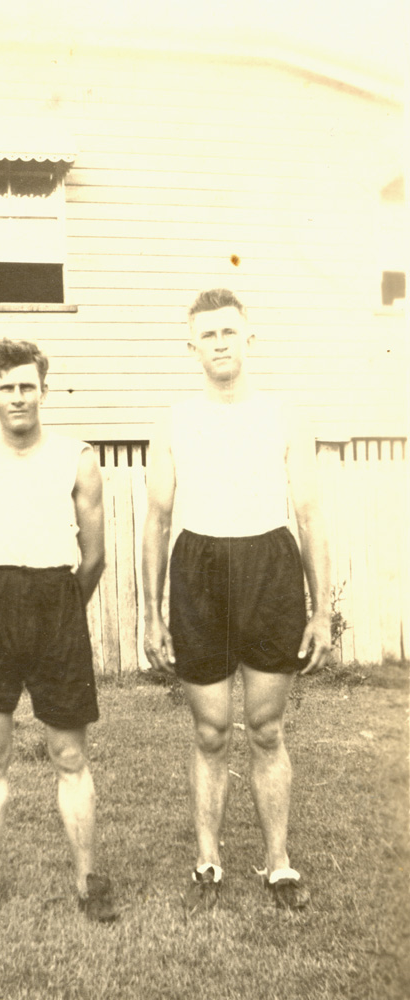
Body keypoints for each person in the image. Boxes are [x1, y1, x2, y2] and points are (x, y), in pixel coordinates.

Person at [142, 288, 331, 912]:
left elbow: (309, 515)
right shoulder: (174, 420)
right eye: (208, 334)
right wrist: (151, 612)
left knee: (268, 728)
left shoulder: (284, 416)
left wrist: (321, 610)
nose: (220, 343)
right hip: (198, 569)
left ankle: (279, 864)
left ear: (249, 337)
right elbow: (157, 520)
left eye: (229, 331)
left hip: (269, 568)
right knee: (211, 729)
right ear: (191, 345)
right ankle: (208, 860)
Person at [0, 338, 117, 923]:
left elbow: (94, 557)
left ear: (44, 390)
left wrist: (59, 607)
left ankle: (88, 881)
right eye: (6, 387)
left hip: (56, 605)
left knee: (69, 753)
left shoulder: (76, 457)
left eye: (27, 386)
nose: (18, 397)